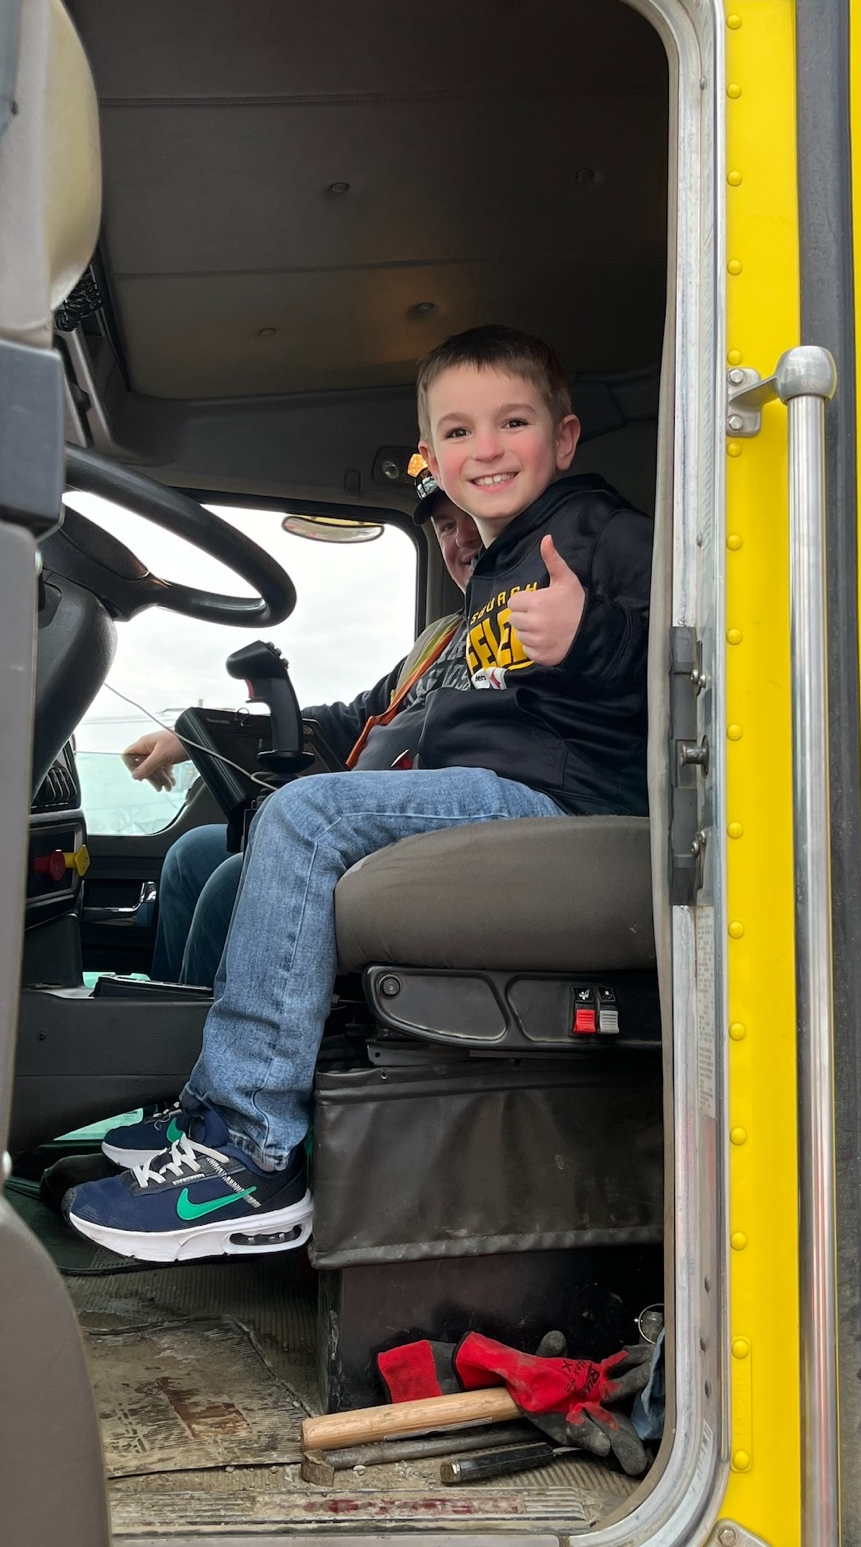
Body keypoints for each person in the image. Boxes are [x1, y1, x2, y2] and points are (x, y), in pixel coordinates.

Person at [68, 324, 652, 1258]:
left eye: (512, 422)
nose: (485, 449)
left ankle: (254, 1149)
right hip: (499, 795)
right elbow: (372, 714)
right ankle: (211, 1115)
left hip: (562, 805)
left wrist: (594, 637)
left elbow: (699, 651)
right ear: (432, 454)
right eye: (456, 432)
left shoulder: (597, 533)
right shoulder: (484, 593)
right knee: (245, 840)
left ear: (566, 438)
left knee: (301, 816)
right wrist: (193, 730)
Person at [120, 484, 484, 988]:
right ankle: (167, 1038)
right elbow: (350, 717)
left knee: (233, 883)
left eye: (471, 517)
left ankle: (207, 1056)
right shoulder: (442, 636)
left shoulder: (530, 626)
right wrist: (188, 738)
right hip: (366, 827)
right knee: (192, 855)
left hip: (428, 838)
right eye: (445, 526)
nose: (462, 538)